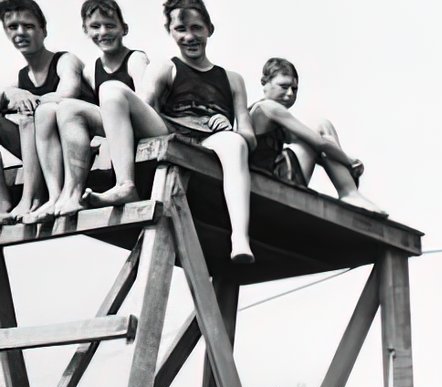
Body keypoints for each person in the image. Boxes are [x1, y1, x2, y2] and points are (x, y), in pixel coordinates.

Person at [86, 0, 254, 261]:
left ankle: (240, 237)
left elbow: (249, 135)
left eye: (196, 28)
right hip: (171, 130)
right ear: (171, 32)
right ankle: (125, 183)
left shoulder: (231, 79)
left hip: (212, 138)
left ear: (210, 29)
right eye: (180, 29)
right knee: (110, 89)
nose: (189, 36)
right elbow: (142, 106)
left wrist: (229, 127)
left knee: (237, 144)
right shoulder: (165, 67)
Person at [25, 0, 143, 224]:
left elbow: (147, 104)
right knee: (48, 111)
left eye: (110, 25)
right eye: (96, 27)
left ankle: (82, 191)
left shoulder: (135, 59)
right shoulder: (91, 71)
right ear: (86, 30)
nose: (103, 32)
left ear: (123, 29)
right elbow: (85, 114)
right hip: (112, 128)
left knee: (77, 103)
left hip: (138, 125)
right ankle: (58, 196)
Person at [0, 0, 87, 225]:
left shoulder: (64, 60)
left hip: (75, 149)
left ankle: (31, 198)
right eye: (12, 27)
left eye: (28, 26)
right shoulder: (21, 78)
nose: (20, 32)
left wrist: (27, 99)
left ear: (43, 30)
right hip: (39, 151)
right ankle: (2, 203)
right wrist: (10, 93)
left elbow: (69, 91)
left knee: (31, 116)